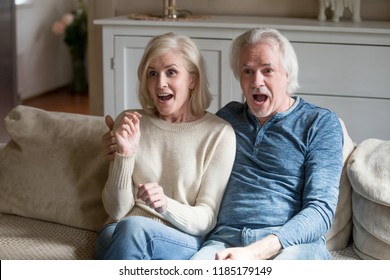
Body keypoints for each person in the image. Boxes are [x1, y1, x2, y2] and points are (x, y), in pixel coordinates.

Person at [190, 28, 344, 260]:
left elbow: (320, 211)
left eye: (267, 70)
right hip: (224, 241)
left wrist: (255, 252)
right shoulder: (226, 119)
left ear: (287, 75)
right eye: (248, 71)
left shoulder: (318, 123)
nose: (256, 81)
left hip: (291, 244)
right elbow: (180, 140)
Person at [95, 32, 236, 260]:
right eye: (152, 74)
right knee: (127, 229)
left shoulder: (219, 134)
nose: (160, 83)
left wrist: (165, 205)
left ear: (192, 79)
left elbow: (206, 217)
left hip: (179, 238)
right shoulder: (130, 123)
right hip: (120, 232)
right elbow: (116, 211)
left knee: (133, 229)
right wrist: (125, 156)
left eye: (171, 72)